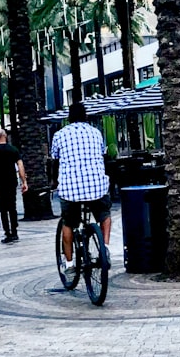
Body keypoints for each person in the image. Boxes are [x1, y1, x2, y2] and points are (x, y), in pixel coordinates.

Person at [50, 102, 111, 270]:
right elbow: (103, 156)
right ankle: (105, 248)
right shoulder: (96, 133)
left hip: (71, 189)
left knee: (68, 223)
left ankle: (69, 265)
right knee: (104, 214)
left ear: (69, 117)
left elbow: (55, 161)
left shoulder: (59, 135)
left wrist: (54, 182)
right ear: (86, 116)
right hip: (96, 186)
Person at [0, 129, 28, 243]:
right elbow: (20, 166)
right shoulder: (13, 150)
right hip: (11, 182)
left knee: (3, 209)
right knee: (12, 207)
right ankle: (14, 231)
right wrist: (24, 182)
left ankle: (7, 232)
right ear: (5, 136)